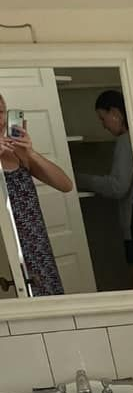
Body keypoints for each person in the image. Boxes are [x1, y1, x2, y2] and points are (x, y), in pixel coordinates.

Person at [77, 90, 133, 289]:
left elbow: (118, 186)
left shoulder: (126, 140)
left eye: (103, 118)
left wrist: (81, 180)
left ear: (116, 113)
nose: (102, 124)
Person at [0, 94, 73, 296]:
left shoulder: (19, 154)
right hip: (6, 252)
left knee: (50, 301)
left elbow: (65, 185)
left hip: (36, 247)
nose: (1, 120)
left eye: (1, 112)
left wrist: (30, 153)